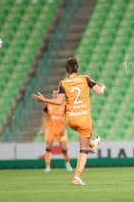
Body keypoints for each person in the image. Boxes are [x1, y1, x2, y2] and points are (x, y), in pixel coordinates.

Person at [32, 57, 105, 185]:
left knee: (86, 137)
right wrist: (103, 88)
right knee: (83, 149)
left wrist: (44, 100)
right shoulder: (85, 79)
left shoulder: (62, 83)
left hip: (71, 120)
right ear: (78, 68)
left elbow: (59, 102)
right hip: (84, 118)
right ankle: (76, 177)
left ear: (66, 70)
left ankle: (93, 144)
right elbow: (99, 92)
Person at [41, 89, 73, 172]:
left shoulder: (64, 105)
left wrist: (63, 128)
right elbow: (43, 116)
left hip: (60, 129)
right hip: (50, 129)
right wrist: (42, 129)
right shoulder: (48, 104)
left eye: (56, 94)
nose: (55, 95)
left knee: (64, 148)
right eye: (53, 94)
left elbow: (69, 118)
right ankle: (47, 166)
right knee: (48, 146)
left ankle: (68, 164)